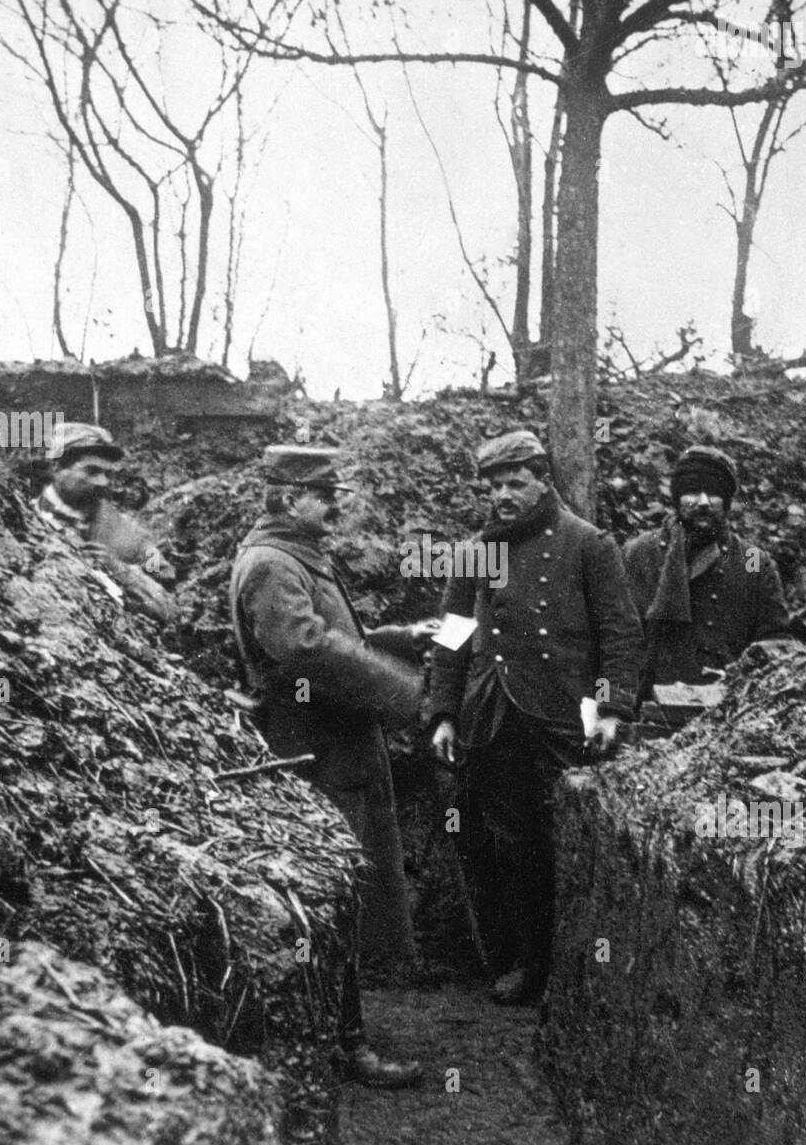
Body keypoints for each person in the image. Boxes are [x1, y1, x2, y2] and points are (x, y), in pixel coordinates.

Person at [230, 444, 435, 1088]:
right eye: (326, 493)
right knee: (330, 902)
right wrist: (404, 692)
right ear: (290, 499)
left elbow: (328, 636)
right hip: (315, 755)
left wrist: (400, 639)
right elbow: (305, 653)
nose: (338, 503)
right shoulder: (271, 564)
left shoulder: (294, 556)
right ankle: (339, 1044)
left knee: (345, 896)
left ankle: (340, 1035)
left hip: (337, 748)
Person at [429, 430, 643, 1006]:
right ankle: (528, 962)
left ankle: (581, 971)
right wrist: (445, 713)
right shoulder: (477, 553)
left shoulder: (588, 544)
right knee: (510, 845)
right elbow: (452, 638)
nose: (502, 494)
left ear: (542, 481)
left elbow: (619, 633)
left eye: (514, 483)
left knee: (568, 842)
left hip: (560, 718)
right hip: (495, 717)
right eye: (494, 485)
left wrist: (612, 708)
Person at [622, 445, 790, 698]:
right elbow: (615, 639)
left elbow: (776, 640)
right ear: (677, 497)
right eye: (691, 492)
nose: (702, 502)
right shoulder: (639, 554)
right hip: (649, 704)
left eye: (713, 493)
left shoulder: (752, 561)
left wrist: (742, 675)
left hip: (724, 709)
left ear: (727, 500)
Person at [34, 421, 176, 623]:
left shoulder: (123, 528)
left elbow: (162, 571)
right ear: (56, 467)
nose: (103, 482)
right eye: (91, 471)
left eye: (108, 474)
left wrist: (119, 568)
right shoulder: (29, 520)